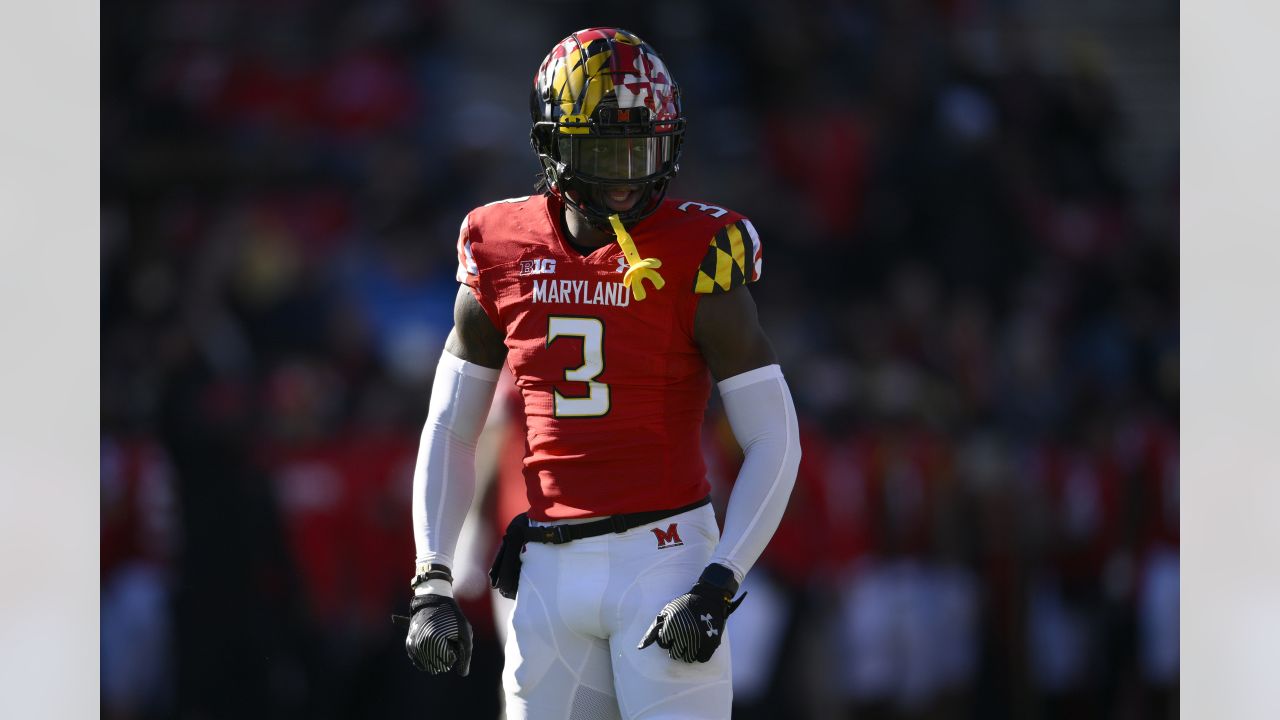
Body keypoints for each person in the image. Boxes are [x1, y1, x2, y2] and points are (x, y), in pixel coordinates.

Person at [400, 27, 801, 719]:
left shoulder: (697, 251)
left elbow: (776, 437)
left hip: (665, 560)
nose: (627, 175)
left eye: (642, 149)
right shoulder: (501, 245)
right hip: (548, 570)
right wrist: (432, 576)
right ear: (553, 146)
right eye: (606, 150)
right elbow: (451, 425)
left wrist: (720, 580)